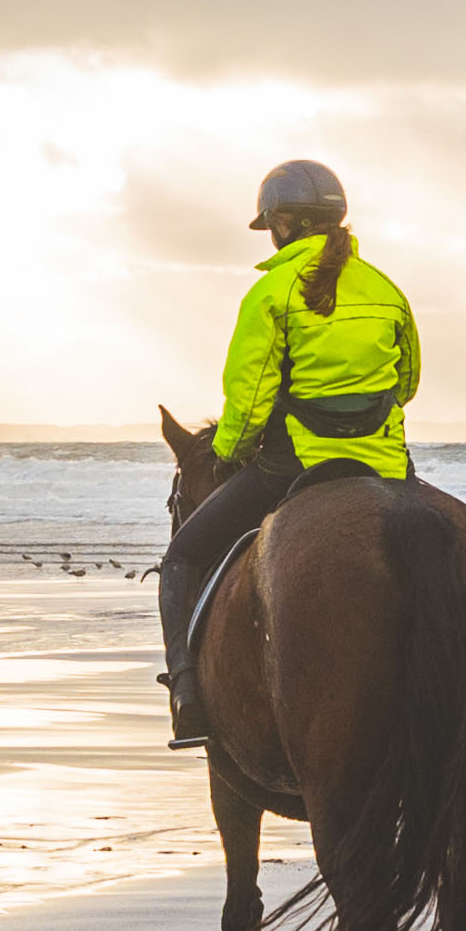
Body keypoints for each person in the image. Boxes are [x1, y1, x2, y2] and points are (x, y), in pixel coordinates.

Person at [159, 154, 421, 750]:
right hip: (385, 463)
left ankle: (188, 698)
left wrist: (228, 452)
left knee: (181, 558)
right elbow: (406, 383)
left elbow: (249, 399)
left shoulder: (271, 292)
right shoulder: (387, 289)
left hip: (293, 464)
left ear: (280, 225)